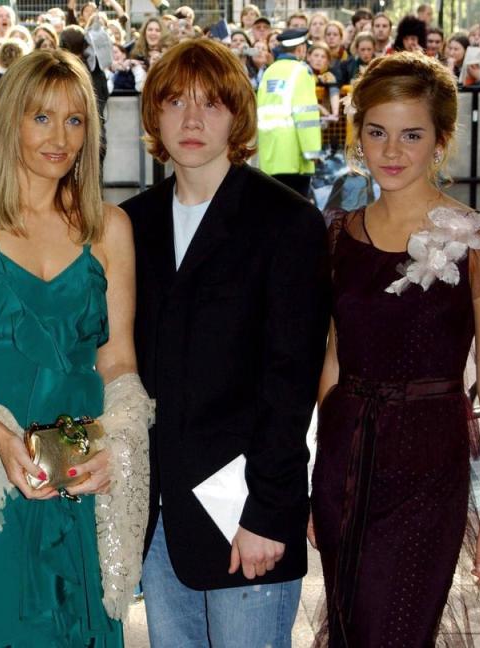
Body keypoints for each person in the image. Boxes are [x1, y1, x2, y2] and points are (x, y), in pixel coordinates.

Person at [0, 47, 151, 647]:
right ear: (9, 120)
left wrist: (114, 443)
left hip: (77, 477)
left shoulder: (110, 227)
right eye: (41, 117)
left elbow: (117, 359)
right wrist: (1, 437)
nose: (59, 137)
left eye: (75, 119)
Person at [122, 37, 330, 648]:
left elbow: (291, 384)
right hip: (160, 514)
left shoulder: (286, 222)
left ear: (237, 116)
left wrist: (267, 511)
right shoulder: (132, 222)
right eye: (175, 103)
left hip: (245, 512)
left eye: (211, 104)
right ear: (153, 115)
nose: (192, 120)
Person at [310, 51, 480, 645]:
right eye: (377, 133)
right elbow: (332, 360)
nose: (392, 151)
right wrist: (315, 478)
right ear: (359, 137)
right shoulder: (336, 235)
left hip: (430, 469)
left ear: (441, 140)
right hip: (343, 466)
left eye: (411, 134)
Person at [257, 28, 322, 198]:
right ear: (300, 49)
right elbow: (306, 114)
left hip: (268, 158)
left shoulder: (269, 71)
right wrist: (312, 151)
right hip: (294, 159)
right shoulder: (301, 71)